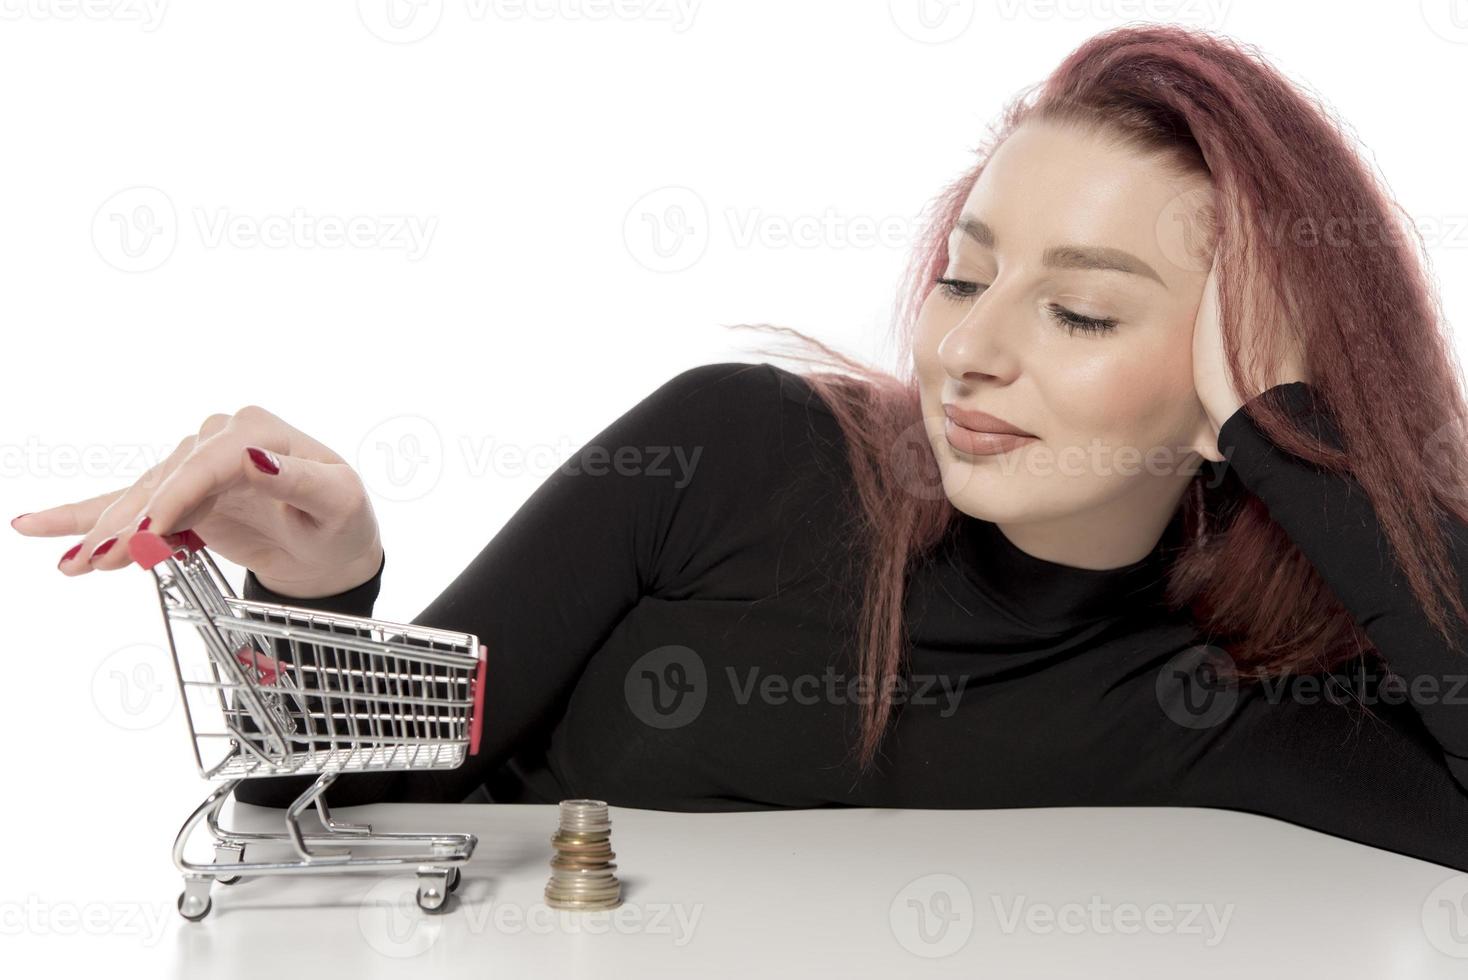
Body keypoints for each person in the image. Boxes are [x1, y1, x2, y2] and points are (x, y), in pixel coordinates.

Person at [16, 24, 1468, 873]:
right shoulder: (740, 457)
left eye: (1082, 309)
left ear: (1242, 372)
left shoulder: (1240, 695)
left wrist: (1301, 427)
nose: (971, 348)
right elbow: (325, 814)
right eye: (966, 277)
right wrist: (327, 592)